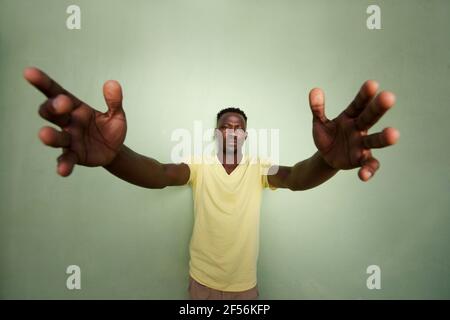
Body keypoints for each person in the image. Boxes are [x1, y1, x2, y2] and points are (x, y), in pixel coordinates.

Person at [23, 67, 400, 300]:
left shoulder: (258, 169)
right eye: (226, 125)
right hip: (200, 283)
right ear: (216, 133)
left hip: (245, 287)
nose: (233, 131)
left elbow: (297, 178)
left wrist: (327, 162)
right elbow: (157, 174)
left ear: (247, 136)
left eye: (240, 127)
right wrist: (115, 157)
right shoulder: (200, 165)